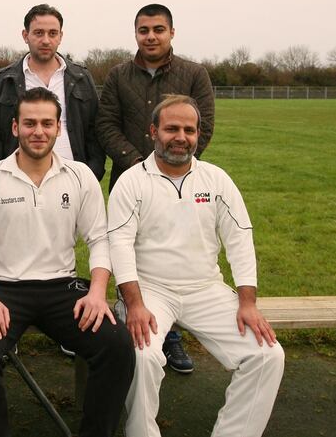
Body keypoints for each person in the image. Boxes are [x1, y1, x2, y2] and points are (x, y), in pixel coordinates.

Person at [108, 95, 285, 437]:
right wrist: (135, 304)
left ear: (198, 135)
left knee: (267, 355)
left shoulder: (216, 180)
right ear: (153, 131)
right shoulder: (132, 182)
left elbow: (240, 238)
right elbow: (119, 244)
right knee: (142, 357)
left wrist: (247, 302)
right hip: (151, 291)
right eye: (171, 128)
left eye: (189, 130)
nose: (180, 137)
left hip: (206, 288)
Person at [0, 87, 134, 437]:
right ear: (15, 128)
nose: (37, 131)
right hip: (3, 289)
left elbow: (100, 239)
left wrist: (98, 292)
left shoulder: (81, 176)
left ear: (59, 129)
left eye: (46, 123)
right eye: (29, 123)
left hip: (63, 287)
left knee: (116, 345)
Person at [96, 3, 216, 372]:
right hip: (128, 180)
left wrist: (167, 169)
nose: (151, 36)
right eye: (144, 30)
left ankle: (172, 336)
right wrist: (141, 166)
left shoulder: (194, 74)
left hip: (181, 182)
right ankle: (134, 316)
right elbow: (106, 124)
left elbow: (204, 127)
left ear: (171, 33)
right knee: (129, 250)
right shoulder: (118, 75)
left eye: (158, 29)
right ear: (136, 33)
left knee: (174, 254)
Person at [0, 4, 105, 181]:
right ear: (26, 35)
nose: (46, 40)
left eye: (52, 33)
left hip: (73, 180)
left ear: (60, 36)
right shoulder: (5, 79)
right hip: (18, 180)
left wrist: (92, 173)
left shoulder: (81, 77)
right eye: (39, 33)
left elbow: (95, 131)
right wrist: (0, 176)